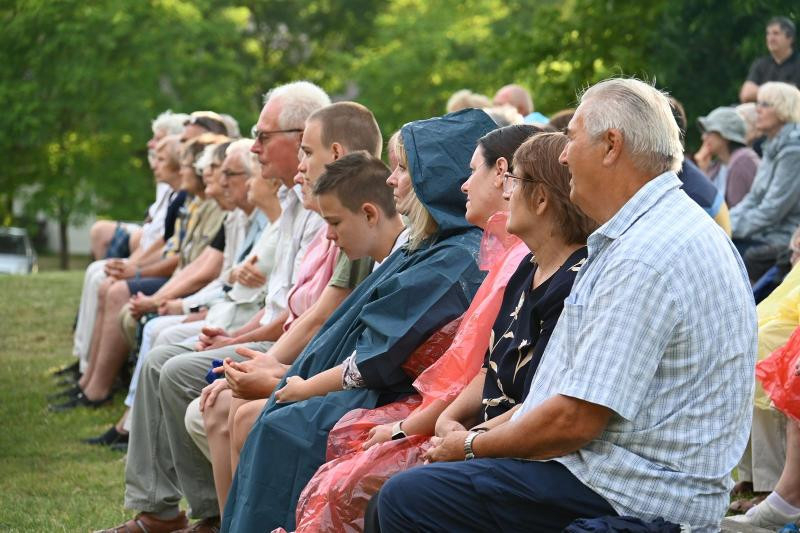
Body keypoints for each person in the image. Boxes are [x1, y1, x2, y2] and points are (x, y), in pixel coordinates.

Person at [376, 78, 756, 532]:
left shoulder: (645, 255)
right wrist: (473, 435)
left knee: (408, 499)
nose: (561, 155)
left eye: (572, 138)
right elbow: (557, 398)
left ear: (611, 145)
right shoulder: (651, 232)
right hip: (619, 475)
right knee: (403, 491)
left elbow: (574, 421)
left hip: (633, 494)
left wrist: (471, 447)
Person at [290, 127, 594, 533]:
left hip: (520, 446)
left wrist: (463, 440)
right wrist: (448, 421)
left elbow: (542, 402)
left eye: (514, 182)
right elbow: (487, 368)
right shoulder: (527, 267)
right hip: (477, 430)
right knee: (356, 467)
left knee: (384, 490)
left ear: (540, 199)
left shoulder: (572, 281)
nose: (504, 194)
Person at [221, 108, 496, 533]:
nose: (392, 180)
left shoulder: (453, 258)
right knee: (266, 419)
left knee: (281, 429)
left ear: (434, 177)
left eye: (403, 170)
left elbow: (380, 356)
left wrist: (298, 384)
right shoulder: (431, 245)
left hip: (393, 397)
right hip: (379, 388)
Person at [92, 81, 331, 533]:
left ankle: (207, 516)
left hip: (288, 349)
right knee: (165, 357)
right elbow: (280, 303)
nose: (255, 148)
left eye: (262, 137)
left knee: (175, 367)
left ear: (303, 138)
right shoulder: (293, 203)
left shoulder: (322, 210)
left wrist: (244, 345)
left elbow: (309, 315)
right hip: (270, 338)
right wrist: (228, 333)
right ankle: (180, 510)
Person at [186, 101, 387, 515]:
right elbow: (299, 310)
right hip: (306, 358)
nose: (300, 165)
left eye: (306, 152)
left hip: (327, 370)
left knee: (230, 405)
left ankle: (228, 520)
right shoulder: (340, 221)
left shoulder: (359, 226)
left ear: (335, 153)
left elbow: (324, 322)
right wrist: (254, 355)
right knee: (216, 394)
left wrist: (280, 372)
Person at [730, 81, 800, 280]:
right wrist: (723, 222)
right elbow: (753, 199)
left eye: (765, 105)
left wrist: (729, 228)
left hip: (782, 238)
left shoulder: (794, 150)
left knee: (722, 252)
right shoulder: (772, 145)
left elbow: (772, 210)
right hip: (763, 233)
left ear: (783, 110)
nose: (757, 110)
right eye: (757, 103)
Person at [696, 106, 760, 207]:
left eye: (709, 132)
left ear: (725, 134)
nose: (703, 137)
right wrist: (704, 170)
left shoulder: (743, 161)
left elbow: (737, 209)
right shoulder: (717, 166)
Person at [740, 17, 800, 103]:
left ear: (790, 38)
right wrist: (783, 92)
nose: (770, 38)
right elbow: (746, 94)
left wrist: (762, 91)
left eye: (776, 33)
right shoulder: (761, 64)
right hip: (762, 111)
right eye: (768, 34)